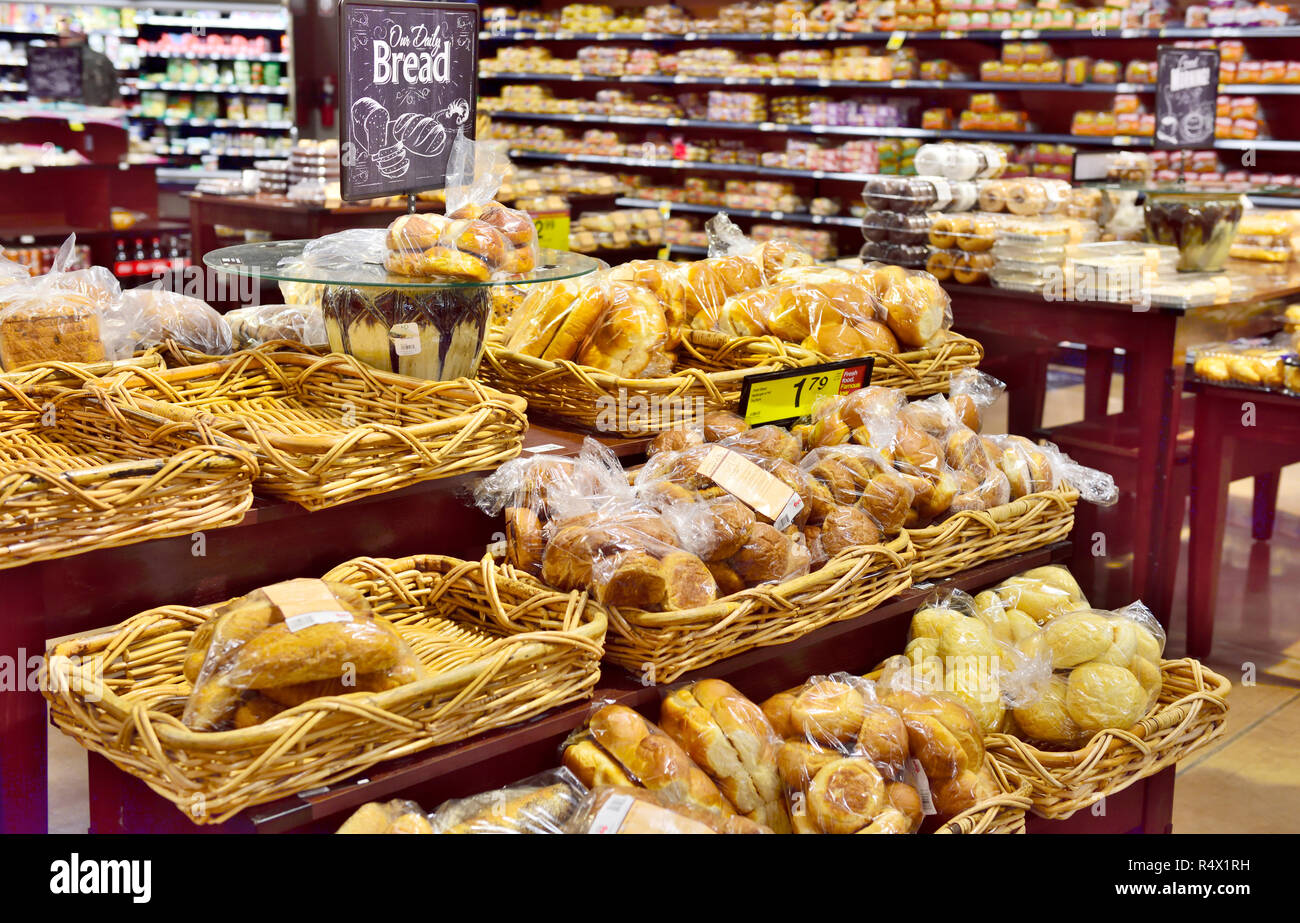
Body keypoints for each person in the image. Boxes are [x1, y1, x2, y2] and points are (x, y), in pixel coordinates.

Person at [54, 20, 120, 108]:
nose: (63, 41)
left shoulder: (56, 60)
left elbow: (114, 91)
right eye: (62, 37)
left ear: (82, 36)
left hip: (70, 111)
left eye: (68, 37)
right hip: (95, 111)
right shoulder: (101, 58)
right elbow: (115, 96)